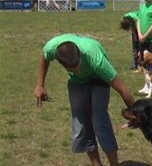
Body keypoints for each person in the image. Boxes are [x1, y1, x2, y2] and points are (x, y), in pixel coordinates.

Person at [33, 34, 135, 166]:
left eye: (79, 66)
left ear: (80, 55)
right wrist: (40, 85)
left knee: (99, 122)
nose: (78, 70)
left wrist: (136, 114)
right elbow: (45, 57)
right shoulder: (52, 47)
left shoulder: (95, 59)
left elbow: (122, 88)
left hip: (99, 79)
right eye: (73, 70)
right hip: (77, 83)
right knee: (81, 125)